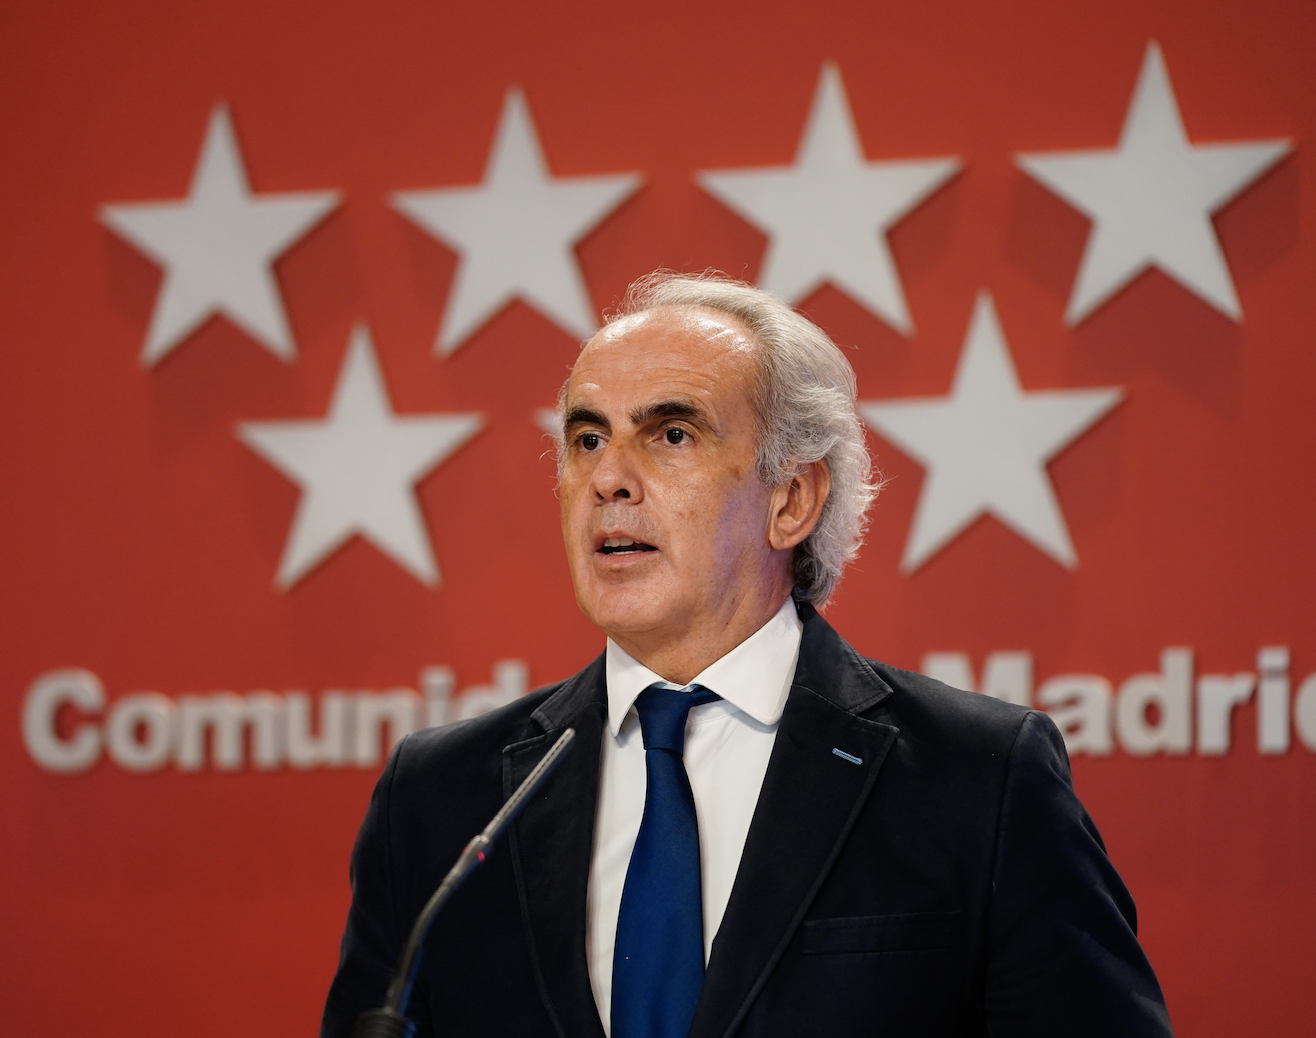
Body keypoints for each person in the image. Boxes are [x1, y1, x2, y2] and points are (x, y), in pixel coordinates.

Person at [321, 272, 1173, 1037]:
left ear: (791, 498)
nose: (609, 479)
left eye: (671, 435)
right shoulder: (441, 800)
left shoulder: (978, 780)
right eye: (587, 440)